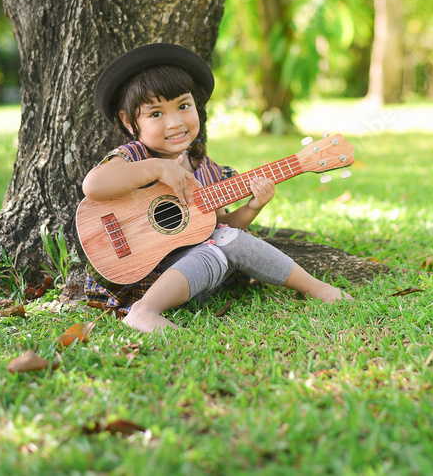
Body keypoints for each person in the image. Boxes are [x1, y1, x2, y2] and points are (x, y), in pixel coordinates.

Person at [82, 43, 352, 333]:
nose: (174, 122)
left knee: (226, 241)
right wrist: (159, 168)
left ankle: (317, 289)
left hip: (192, 272)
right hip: (139, 274)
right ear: (128, 121)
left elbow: (218, 224)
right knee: (218, 245)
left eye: (183, 106)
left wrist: (252, 207)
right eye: (156, 114)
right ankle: (144, 311)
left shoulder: (205, 169)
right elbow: (93, 184)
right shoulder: (135, 156)